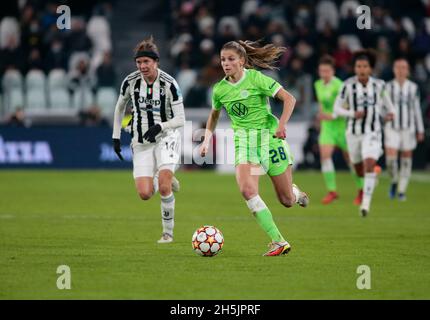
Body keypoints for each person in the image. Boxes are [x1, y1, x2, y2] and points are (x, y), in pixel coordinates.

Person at [200, 40, 309, 257]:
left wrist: (281, 125)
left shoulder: (257, 79)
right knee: (247, 190)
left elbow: (289, 99)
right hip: (244, 144)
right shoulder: (220, 89)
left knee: (286, 201)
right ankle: (278, 241)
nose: (226, 63)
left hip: (269, 140)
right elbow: (214, 115)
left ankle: (295, 193)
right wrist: (206, 139)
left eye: (231, 59)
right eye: (223, 59)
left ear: (242, 61)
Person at [112, 36, 185, 243]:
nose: (142, 66)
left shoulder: (169, 84)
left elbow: (181, 119)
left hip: (166, 136)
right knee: (144, 194)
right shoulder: (131, 81)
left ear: (156, 62)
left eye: (146, 62)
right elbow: (119, 108)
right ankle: (164, 176)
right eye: (139, 62)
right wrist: (116, 136)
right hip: (140, 141)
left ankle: (167, 233)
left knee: (163, 186)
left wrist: (160, 126)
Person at [333, 49, 395, 217]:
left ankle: (365, 204)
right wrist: (352, 113)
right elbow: (336, 109)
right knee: (360, 171)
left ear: (370, 68)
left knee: (368, 164)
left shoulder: (380, 85)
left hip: (372, 131)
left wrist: (390, 115)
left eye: (365, 66)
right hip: (353, 133)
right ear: (354, 68)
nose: (361, 69)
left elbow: (390, 108)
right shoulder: (347, 86)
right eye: (358, 66)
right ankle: (373, 174)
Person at [314, 55, 364, 205]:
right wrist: (321, 114)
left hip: (342, 126)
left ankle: (361, 190)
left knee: (351, 160)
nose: (324, 74)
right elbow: (322, 104)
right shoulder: (317, 84)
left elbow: (348, 105)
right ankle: (332, 191)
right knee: (325, 156)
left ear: (333, 71)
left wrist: (333, 115)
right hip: (327, 127)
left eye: (327, 71)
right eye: (322, 71)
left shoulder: (340, 85)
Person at [384, 57, 425, 201]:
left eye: (403, 68)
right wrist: (384, 117)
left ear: (407, 70)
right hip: (392, 128)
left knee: (406, 160)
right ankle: (394, 180)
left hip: (408, 128)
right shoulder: (387, 87)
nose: (400, 71)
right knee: (390, 159)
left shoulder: (413, 88)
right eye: (398, 67)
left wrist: (420, 129)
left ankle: (402, 191)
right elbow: (382, 108)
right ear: (394, 70)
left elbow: (416, 110)